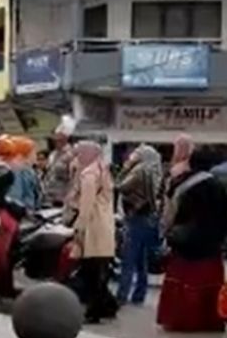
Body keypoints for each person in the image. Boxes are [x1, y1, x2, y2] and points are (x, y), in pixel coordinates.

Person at [157, 147, 227, 332]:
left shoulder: (181, 184)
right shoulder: (221, 186)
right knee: (209, 283)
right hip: (211, 245)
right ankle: (209, 321)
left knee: (183, 281)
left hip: (184, 244)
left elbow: (169, 214)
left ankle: (180, 321)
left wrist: (167, 232)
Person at [70, 141, 118, 323]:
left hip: (93, 226)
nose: (77, 157)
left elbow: (86, 205)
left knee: (92, 271)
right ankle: (108, 305)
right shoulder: (102, 170)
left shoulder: (89, 175)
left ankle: (95, 310)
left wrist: (79, 228)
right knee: (99, 269)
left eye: (80, 153)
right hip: (104, 224)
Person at [116, 145, 162, 306]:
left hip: (136, 216)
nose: (131, 156)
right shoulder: (155, 170)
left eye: (136, 153)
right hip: (148, 217)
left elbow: (120, 185)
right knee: (141, 259)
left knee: (128, 258)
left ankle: (122, 295)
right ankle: (139, 294)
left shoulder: (140, 170)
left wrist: (125, 168)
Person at [43, 117, 76, 207]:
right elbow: (49, 172)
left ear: (66, 138)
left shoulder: (72, 154)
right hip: (50, 195)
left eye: (59, 138)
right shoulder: (52, 154)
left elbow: (74, 176)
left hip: (64, 195)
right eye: (55, 138)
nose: (56, 141)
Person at [8, 137, 42, 210]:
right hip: (23, 215)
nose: (35, 155)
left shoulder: (29, 170)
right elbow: (15, 198)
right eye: (33, 152)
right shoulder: (17, 171)